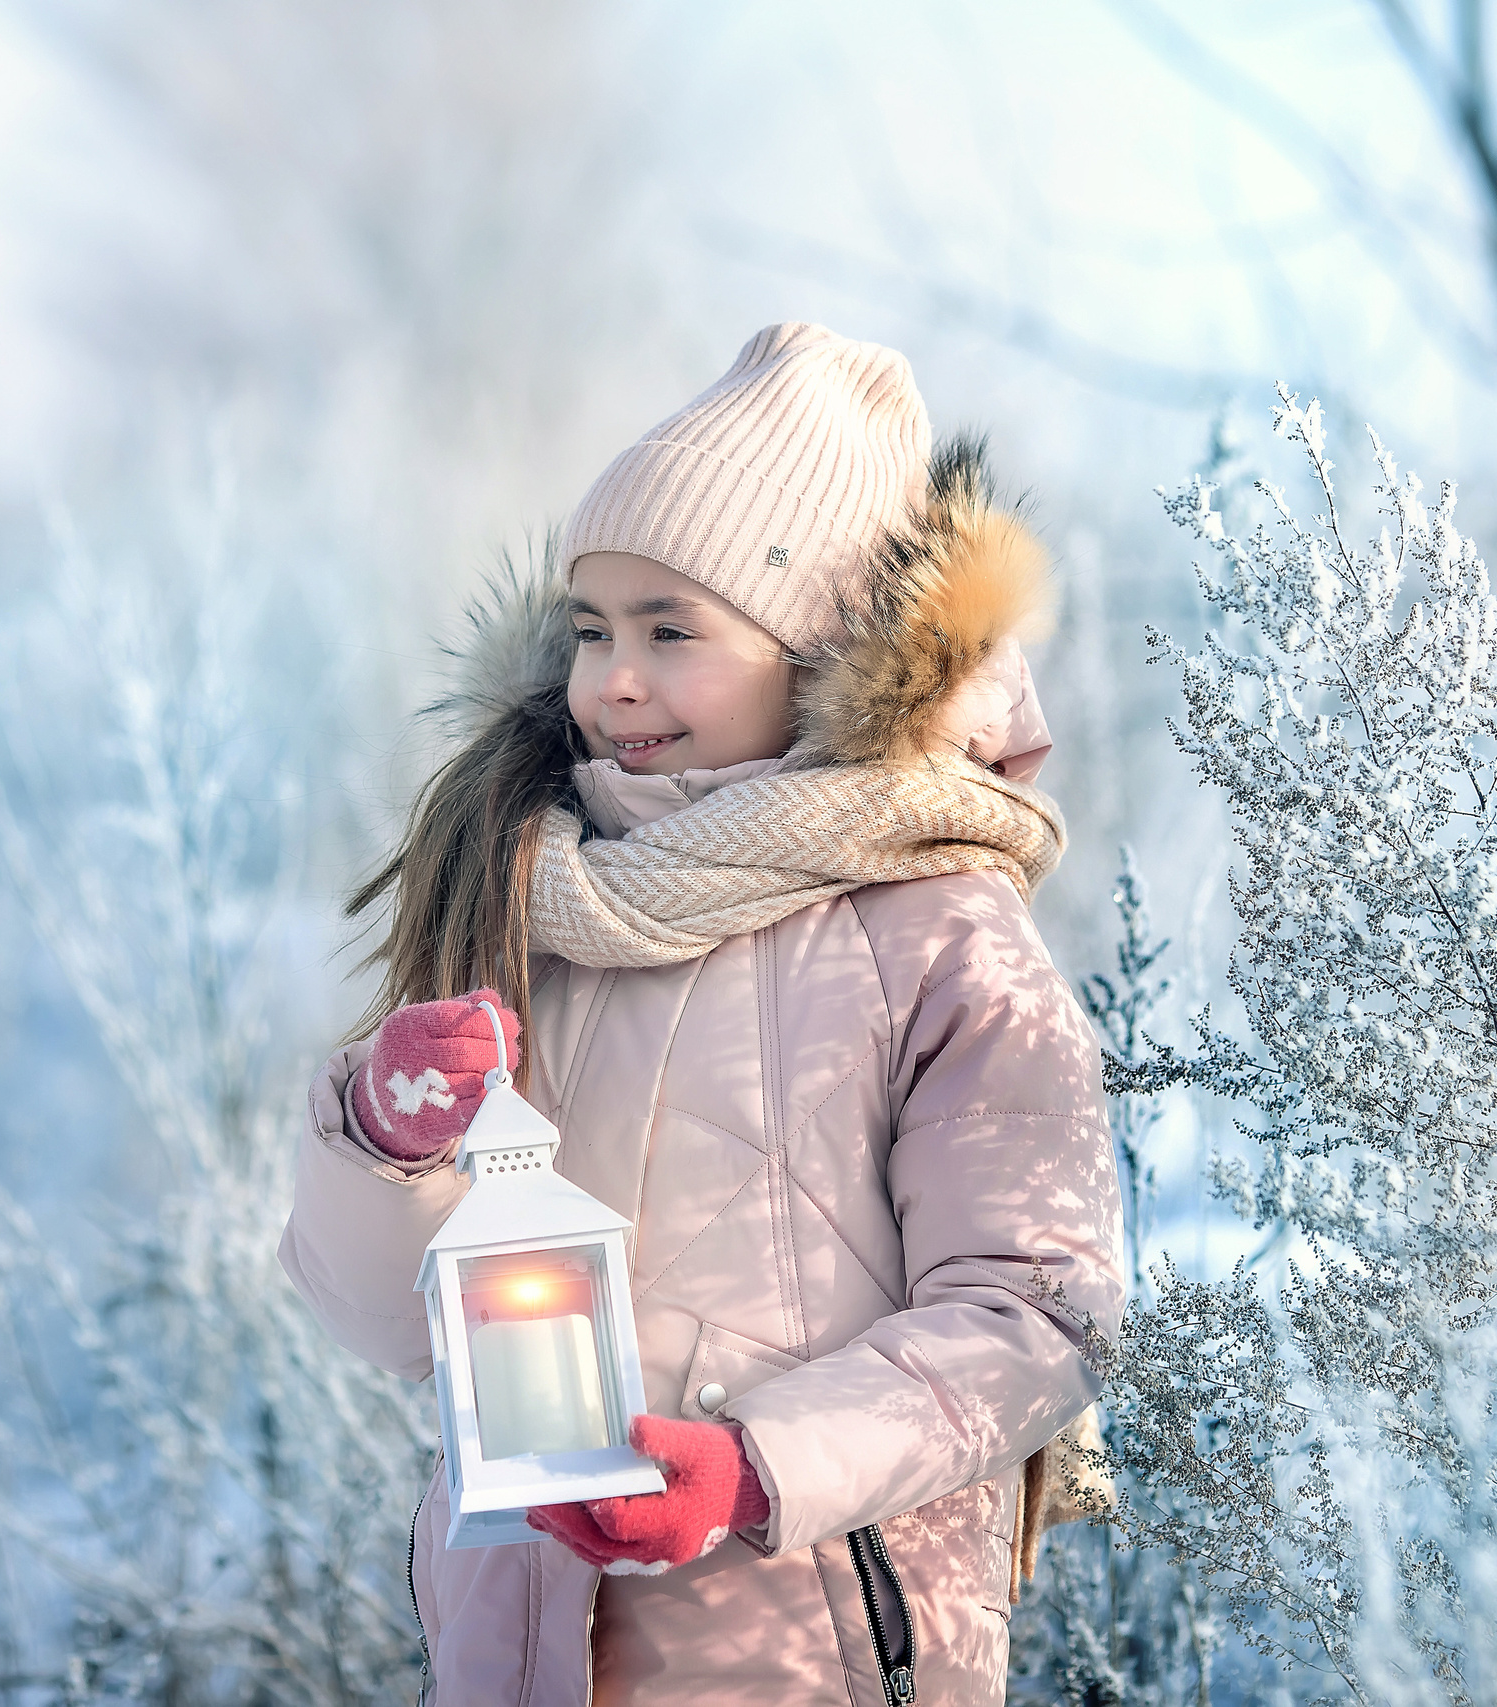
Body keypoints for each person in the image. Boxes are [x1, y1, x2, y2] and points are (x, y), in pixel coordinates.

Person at [280, 322, 1123, 1705]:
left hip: (810, 1644)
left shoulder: (942, 930)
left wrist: (752, 1470)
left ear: (827, 649)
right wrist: (392, 1146)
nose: (615, 676)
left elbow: (1038, 1311)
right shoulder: (521, 890)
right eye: (593, 629)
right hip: (526, 1641)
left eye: (673, 631)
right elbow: (390, 1328)